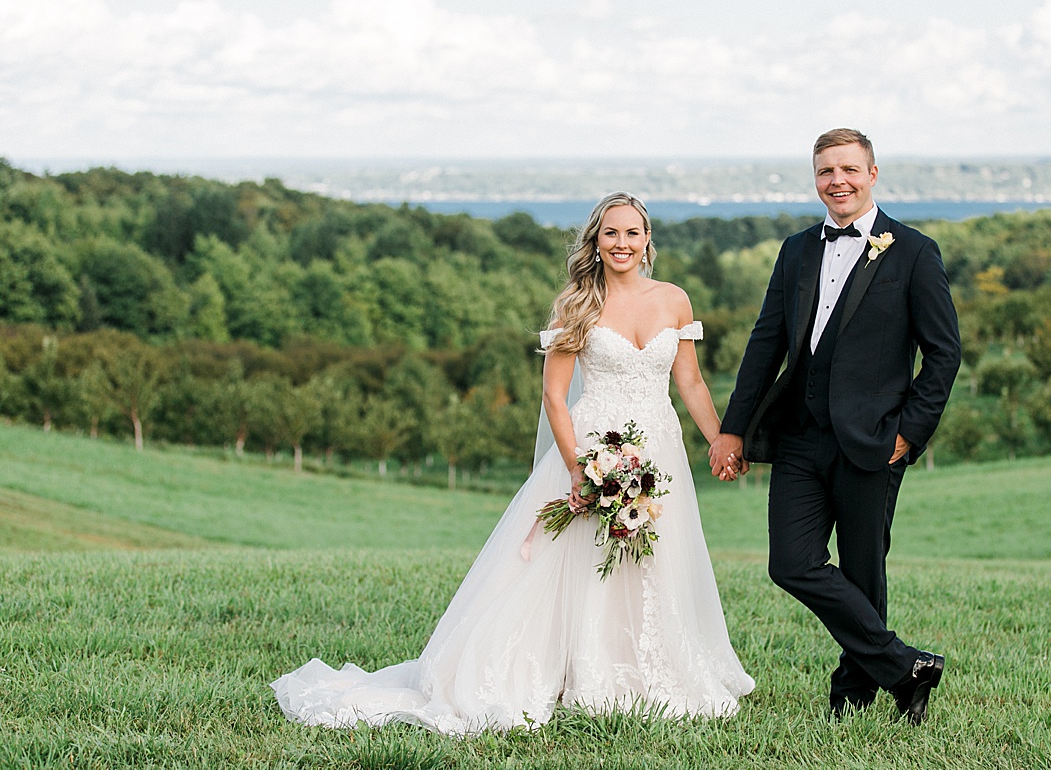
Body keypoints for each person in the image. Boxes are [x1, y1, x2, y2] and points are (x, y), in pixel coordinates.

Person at [272, 192, 754, 733]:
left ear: (648, 242)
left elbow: (688, 380)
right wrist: (579, 468)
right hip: (593, 449)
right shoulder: (576, 305)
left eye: (632, 233)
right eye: (611, 233)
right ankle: (585, 674)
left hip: (659, 451)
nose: (622, 243)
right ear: (596, 242)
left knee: (654, 560)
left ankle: (650, 670)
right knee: (582, 560)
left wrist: (721, 440)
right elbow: (554, 397)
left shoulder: (675, 300)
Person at [709, 128, 961, 725]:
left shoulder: (914, 252)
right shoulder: (797, 248)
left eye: (849, 169)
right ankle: (905, 667)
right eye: (825, 171)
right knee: (790, 562)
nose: (837, 182)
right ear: (815, 178)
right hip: (799, 434)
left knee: (863, 570)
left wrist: (909, 434)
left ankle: (854, 693)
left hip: (875, 438)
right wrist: (733, 427)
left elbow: (944, 354)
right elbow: (766, 340)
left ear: (873, 173)